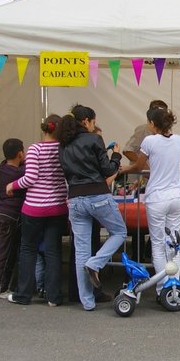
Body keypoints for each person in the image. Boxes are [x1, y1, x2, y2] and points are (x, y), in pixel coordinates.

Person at [57, 104, 127, 311]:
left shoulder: (63, 144)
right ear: (86, 121)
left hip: (75, 199)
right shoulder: (94, 139)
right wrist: (116, 156)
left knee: (81, 251)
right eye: (93, 122)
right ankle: (96, 264)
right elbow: (107, 170)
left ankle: (87, 302)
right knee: (119, 232)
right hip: (97, 195)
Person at [120, 107, 180, 293]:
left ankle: (161, 289)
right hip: (175, 196)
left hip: (156, 197)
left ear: (151, 123)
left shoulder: (149, 141)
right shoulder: (179, 140)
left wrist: (125, 169)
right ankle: (174, 286)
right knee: (174, 243)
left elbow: (139, 166)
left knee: (157, 244)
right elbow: (178, 167)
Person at [6, 115, 68, 307]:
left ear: (45, 129)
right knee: (53, 251)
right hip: (57, 207)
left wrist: (12, 185)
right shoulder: (63, 149)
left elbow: (30, 178)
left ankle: (23, 294)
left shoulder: (35, 149)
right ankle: (53, 296)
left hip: (34, 208)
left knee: (28, 250)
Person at [0, 138, 26, 298]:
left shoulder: (3, 168)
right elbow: (28, 174)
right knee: (6, 253)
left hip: (0, 213)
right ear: (20, 153)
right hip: (11, 215)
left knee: (0, 250)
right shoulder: (19, 173)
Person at [122, 100, 168, 164]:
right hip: (143, 173)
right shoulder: (143, 130)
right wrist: (145, 168)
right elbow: (127, 151)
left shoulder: (167, 133)